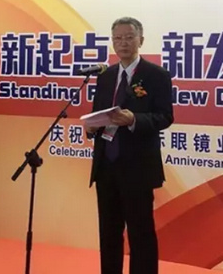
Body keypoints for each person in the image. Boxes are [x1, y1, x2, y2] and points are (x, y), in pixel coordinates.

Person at [86, 17, 174, 274]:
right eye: (118, 38)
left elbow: (165, 116)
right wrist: (91, 127)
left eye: (128, 37)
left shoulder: (156, 75)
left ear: (140, 40)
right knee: (109, 233)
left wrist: (134, 119)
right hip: (106, 166)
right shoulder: (105, 76)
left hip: (138, 167)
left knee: (140, 233)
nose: (123, 43)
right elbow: (98, 112)